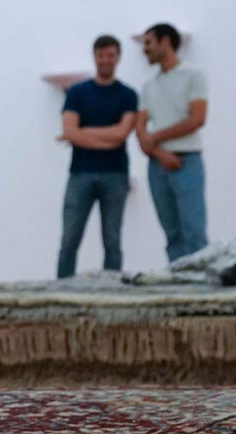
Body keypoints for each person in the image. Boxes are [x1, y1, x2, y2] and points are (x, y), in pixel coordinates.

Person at [55, 35, 138, 278]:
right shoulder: (77, 93)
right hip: (80, 175)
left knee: (112, 240)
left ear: (118, 58)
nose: (105, 60)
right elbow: (70, 132)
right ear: (95, 57)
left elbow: (122, 134)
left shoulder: (128, 95)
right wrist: (106, 137)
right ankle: (62, 292)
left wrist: (84, 133)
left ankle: (111, 293)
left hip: (116, 175)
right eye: (101, 55)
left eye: (110, 55)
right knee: (70, 239)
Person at [136, 23, 209, 262]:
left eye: (148, 43)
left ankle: (204, 293)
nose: (144, 49)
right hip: (158, 166)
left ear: (165, 41)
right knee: (173, 236)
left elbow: (197, 119)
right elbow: (141, 127)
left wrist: (155, 138)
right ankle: (179, 291)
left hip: (188, 162)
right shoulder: (149, 86)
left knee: (194, 233)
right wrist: (160, 153)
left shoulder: (194, 75)